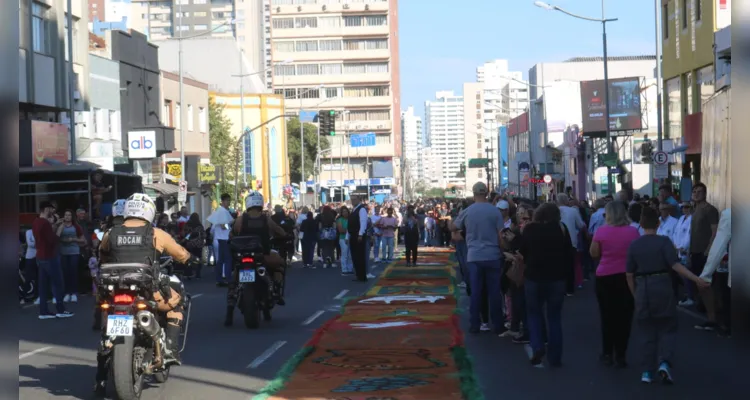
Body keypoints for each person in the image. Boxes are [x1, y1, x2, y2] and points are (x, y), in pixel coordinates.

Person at [95, 193, 199, 394]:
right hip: (147, 292)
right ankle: (169, 348)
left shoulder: (111, 233)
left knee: (105, 328)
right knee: (177, 303)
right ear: (148, 211)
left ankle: (100, 377)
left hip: (114, 291)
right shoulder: (155, 233)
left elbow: (102, 254)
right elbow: (180, 254)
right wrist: (191, 259)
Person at [626, 206, 709, 384]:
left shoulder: (634, 245)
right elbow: (676, 266)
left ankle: (647, 372)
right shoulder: (664, 242)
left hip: (642, 287)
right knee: (668, 327)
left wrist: (635, 294)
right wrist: (696, 279)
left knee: (646, 330)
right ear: (658, 223)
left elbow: (629, 274)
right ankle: (664, 362)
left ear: (641, 223)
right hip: (662, 285)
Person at [517, 203, 572, 366]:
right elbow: (569, 253)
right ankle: (555, 357)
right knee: (554, 317)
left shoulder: (530, 229)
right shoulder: (561, 229)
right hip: (556, 278)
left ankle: (537, 346)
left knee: (534, 314)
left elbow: (522, 253)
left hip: (534, 277)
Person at [590, 200, 641, 368]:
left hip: (605, 276)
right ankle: (621, 354)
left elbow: (594, 253)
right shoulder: (633, 232)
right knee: (625, 317)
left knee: (607, 316)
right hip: (627, 276)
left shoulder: (601, 231)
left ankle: (607, 352)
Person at [227, 190, 289, 326]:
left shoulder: (241, 219)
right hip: (263, 255)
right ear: (260, 203)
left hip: (242, 256)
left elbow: (232, 235)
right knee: (281, 264)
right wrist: (283, 235)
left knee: (234, 278)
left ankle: (229, 310)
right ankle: (276, 290)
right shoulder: (266, 218)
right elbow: (279, 231)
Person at [452, 182, 505, 335]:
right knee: (494, 292)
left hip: (474, 256)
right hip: (493, 255)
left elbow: (453, 228)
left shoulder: (468, 211)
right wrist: (501, 251)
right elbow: (501, 235)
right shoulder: (495, 211)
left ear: (474, 194)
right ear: (487, 193)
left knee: (476, 292)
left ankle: (475, 324)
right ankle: (498, 325)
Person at [32, 201, 73, 320]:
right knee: (57, 283)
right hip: (49, 256)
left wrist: (54, 225)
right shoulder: (44, 223)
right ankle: (60, 310)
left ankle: (43, 311)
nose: (52, 211)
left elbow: (45, 236)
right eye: (51, 209)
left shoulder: (36, 222)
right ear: (45, 209)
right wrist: (60, 228)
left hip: (40, 256)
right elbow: (52, 240)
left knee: (43, 285)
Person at [57, 210, 86, 302]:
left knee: (73, 272)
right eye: (66, 215)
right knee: (65, 273)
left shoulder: (76, 227)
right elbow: (56, 236)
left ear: (72, 217)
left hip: (74, 252)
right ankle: (67, 293)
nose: (67, 217)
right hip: (63, 252)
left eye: (69, 215)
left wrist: (73, 239)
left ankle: (74, 292)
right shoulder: (61, 226)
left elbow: (83, 240)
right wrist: (60, 225)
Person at [347, 194, 369, 282]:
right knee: (355, 256)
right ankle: (358, 275)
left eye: (354, 199)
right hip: (353, 235)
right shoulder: (354, 210)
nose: (353, 201)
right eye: (351, 199)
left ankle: (362, 276)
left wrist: (360, 234)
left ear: (359, 200)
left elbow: (363, 222)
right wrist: (347, 236)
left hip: (358, 236)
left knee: (360, 256)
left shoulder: (362, 209)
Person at [184, 213, 206, 279]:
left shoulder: (188, 224)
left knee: (189, 258)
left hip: (190, 244)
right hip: (198, 245)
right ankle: (198, 273)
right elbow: (204, 235)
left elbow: (186, 234)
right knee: (198, 258)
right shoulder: (200, 226)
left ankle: (189, 272)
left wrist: (186, 240)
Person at [336, 206, 354, 276]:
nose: (345, 213)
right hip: (343, 239)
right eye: (343, 212)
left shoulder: (350, 219)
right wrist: (349, 230)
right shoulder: (340, 220)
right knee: (344, 254)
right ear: (341, 213)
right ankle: (344, 269)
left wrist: (348, 230)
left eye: (346, 211)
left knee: (350, 255)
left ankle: (350, 268)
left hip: (351, 238)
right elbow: (341, 230)